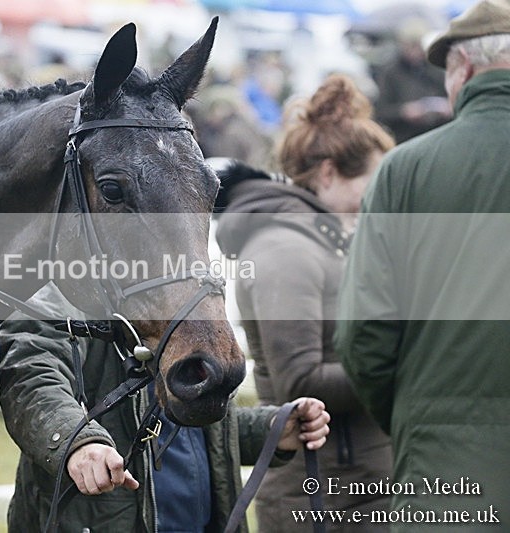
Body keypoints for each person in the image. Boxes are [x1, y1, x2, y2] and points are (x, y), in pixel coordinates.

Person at [335, 0, 510, 528]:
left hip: (448, 468)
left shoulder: (404, 170)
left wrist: (417, 411)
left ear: (464, 72)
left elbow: (363, 334)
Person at [0, 284, 330, 533]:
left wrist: (271, 428)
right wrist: (79, 442)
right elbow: (31, 379)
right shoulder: (60, 290)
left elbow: (193, 432)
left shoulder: (184, 289)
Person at [215, 73, 396, 531]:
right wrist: (411, 362)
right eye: (372, 183)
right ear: (330, 172)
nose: (379, 198)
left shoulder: (329, 241)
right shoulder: (285, 249)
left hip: (357, 488)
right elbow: (301, 380)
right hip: (321, 498)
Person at [374, 17, 452, 143]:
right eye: (411, 47)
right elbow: (380, 112)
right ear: (402, 45)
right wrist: (403, 112)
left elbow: (452, 97)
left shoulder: (436, 67)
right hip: (404, 138)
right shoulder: (390, 73)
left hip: (437, 135)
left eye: (419, 47)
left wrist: (448, 107)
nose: (415, 52)